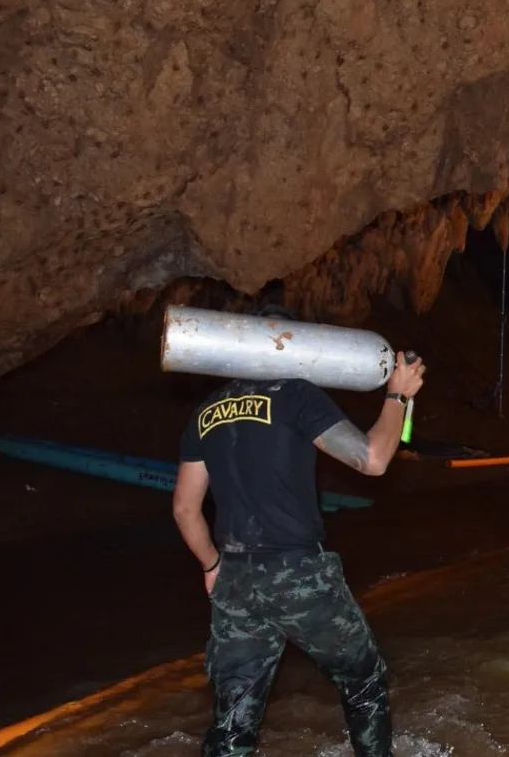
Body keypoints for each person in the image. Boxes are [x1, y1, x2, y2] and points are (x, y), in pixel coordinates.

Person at [172, 306, 426, 757]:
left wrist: (212, 565)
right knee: (363, 679)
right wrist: (398, 396)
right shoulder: (294, 395)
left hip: (235, 581)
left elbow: (185, 509)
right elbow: (373, 459)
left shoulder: (206, 412)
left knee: (233, 718)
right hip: (297, 571)